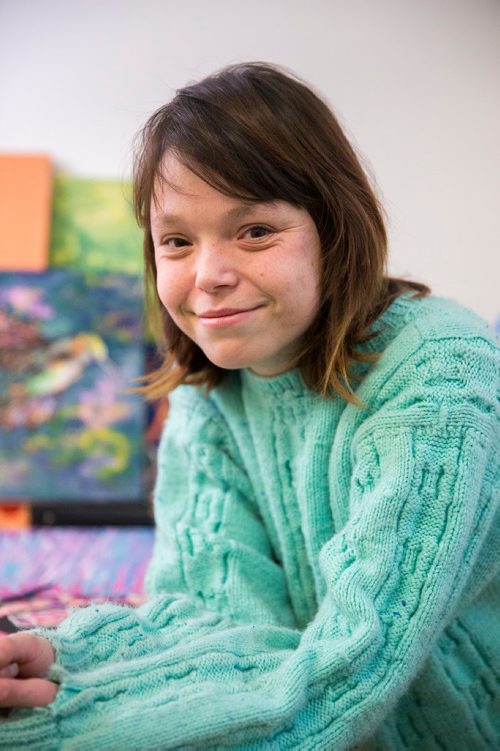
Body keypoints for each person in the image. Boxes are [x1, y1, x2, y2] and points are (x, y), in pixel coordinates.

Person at [0, 62, 498, 750]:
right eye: (176, 240)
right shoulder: (210, 391)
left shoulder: (440, 368)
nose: (208, 274)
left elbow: (352, 669)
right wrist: (63, 662)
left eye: (255, 230)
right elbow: (216, 616)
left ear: (334, 228)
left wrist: (58, 726)